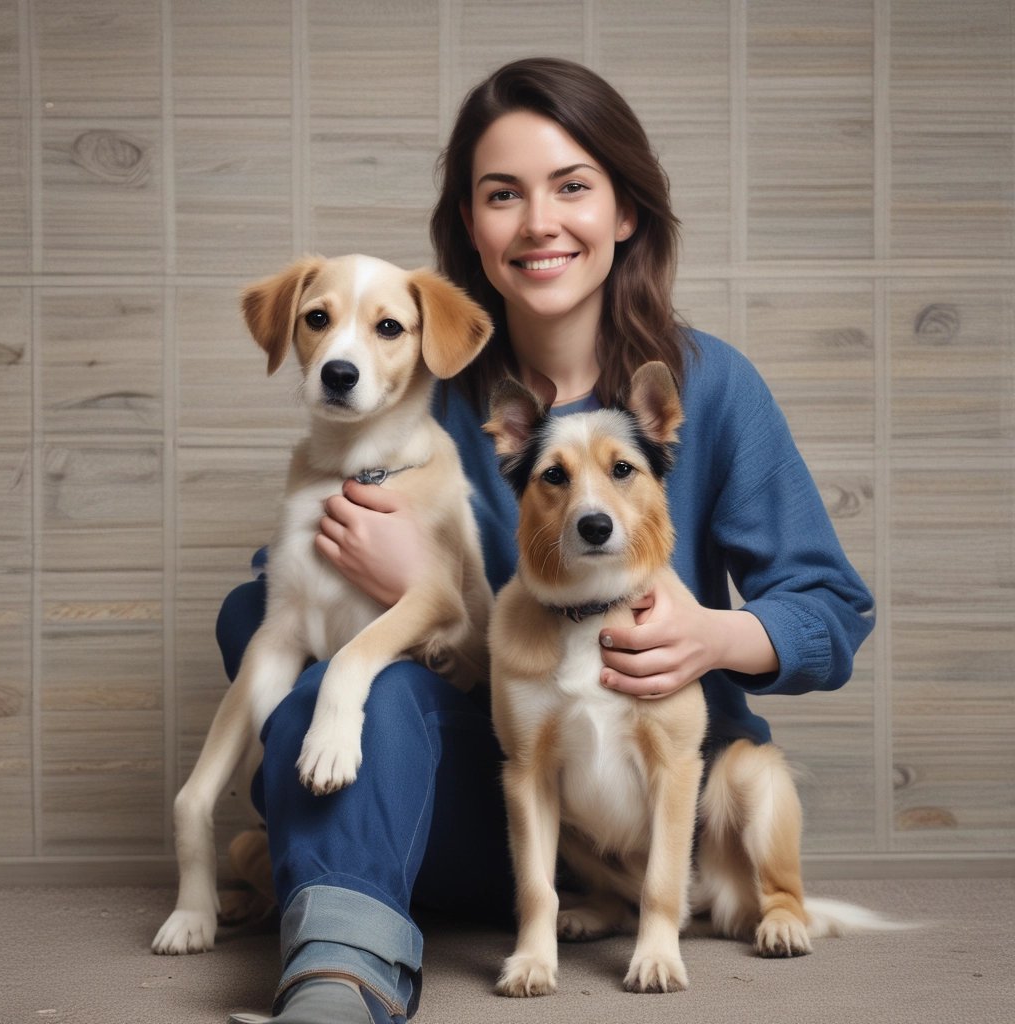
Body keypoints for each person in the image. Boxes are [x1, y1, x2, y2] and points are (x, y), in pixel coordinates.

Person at [218, 57, 875, 1024]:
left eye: (573, 187)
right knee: (304, 648)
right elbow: (282, 597)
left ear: (626, 213)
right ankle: (339, 973)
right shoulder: (412, 379)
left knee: (337, 738)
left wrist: (716, 635)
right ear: (468, 228)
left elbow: (831, 611)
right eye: (501, 195)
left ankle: (331, 861)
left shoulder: (712, 386)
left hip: (654, 813)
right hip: (498, 788)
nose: (538, 223)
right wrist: (417, 594)